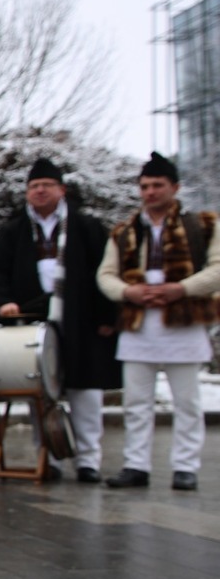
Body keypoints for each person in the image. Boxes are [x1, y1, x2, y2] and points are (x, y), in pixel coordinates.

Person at [0, 157, 119, 483]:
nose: (40, 191)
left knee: (84, 391)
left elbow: (104, 271)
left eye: (46, 185)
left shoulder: (85, 227)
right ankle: (49, 456)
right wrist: (4, 303)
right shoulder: (13, 230)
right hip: (32, 320)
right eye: (34, 186)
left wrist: (106, 316)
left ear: (61, 189)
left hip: (80, 319)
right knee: (38, 390)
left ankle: (88, 460)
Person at [97, 152, 220, 491]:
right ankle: (136, 465)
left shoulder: (203, 225)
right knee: (136, 402)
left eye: (157, 185)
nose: (150, 192)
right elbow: (105, 276)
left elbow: (217, 269)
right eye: (145, 186)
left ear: (174, 187)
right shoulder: (123, 231)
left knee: (187, 402)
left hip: (184, 321)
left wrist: (180, 288)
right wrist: (129, 293)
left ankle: (185, 466)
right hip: (139, 324)